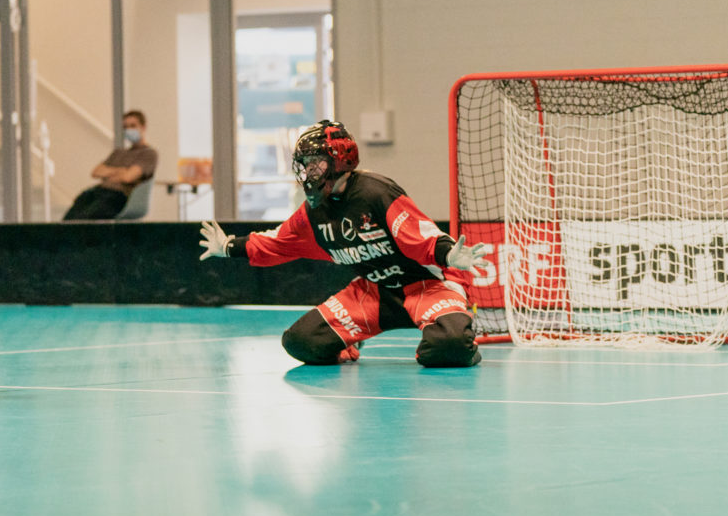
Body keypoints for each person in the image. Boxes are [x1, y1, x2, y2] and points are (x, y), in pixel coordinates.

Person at [198, 119, 488, 367]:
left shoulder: (376, 192)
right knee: (301, 342)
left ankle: (455, 327)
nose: (308, 172)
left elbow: (417, 232)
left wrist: (448, 255)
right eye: (305, 165)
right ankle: (351, 343)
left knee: (450, 345)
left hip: (428, 286)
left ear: (339, 160)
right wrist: (229, 246)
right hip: (375, 294)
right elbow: (280, 240)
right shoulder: (314, 211)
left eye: (315, 164)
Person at [62, 109, 158, 220]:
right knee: (69, 219)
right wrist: (121, 171)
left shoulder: (149, 154)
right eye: (126, 127)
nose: (129, 130)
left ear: (143, 127)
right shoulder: (118, 153)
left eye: (133, 126)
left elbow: (127, 177)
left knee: (85, 220)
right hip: (96, 192)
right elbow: (96, 172)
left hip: (117, 196)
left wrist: (109, 173)